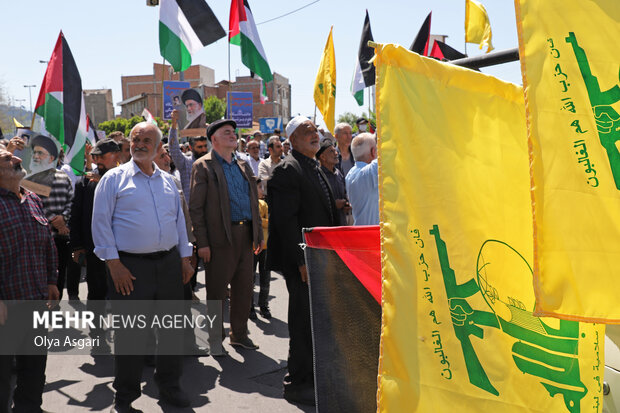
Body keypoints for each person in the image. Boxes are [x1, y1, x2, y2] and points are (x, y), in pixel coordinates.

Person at [92, 122, 194, 412]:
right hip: (130, 268)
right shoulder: (113, 179)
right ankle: (125, 397)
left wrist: (185, 258)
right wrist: (114, 264)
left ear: (159, 146)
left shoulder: (168, 181)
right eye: (136, 139)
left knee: (172, 331)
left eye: (147, 139)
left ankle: (170, 388)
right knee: (131, 337)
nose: (140, 143)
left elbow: (179, 223)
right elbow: (100, 225)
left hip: (169, 265)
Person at [267, 116, 337, 406]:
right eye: (307, 131)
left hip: (318, 259)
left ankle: (312, 376)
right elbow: (286, 221)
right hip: (304, 263)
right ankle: (297, 383)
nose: (315, 134)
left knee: (314, 321)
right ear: (292, 140)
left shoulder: (313, 166)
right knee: (301, 322)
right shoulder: (287, 170)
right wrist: (302, 260)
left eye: (316, 130)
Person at [190, 119, 263, 354]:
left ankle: (239, 334)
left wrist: (258, 234)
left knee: (244, 288)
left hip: (246, 234)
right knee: (216, 291)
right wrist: (202, 243)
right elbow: (196, 209)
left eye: (234, 132)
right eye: (227, 132)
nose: (233, 135)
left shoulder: (243, 165)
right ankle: (214, 338)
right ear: (214, 139)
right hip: (220, 237)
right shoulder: (203, 166)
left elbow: (254, 201)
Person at [0, 148, 59, 412]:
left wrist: (51, 281)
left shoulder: (33, 198)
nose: (17, 159)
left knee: (34, 372)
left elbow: (48, 245)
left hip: (36, 302)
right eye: (7, 158)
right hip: (5, 308)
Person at [70, 138, 120, 350]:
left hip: (123, 249)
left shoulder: (125, 179)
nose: (97, 160)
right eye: (95, 157)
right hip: (95, 249)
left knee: (122, 294)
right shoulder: (84, 183)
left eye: (102, 156)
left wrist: (105, 185)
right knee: (97, 291)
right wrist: (77, 246)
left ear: (116, 156)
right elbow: (77, 214)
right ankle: (98, 334)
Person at [26, 135, 77, 301]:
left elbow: (72, 201)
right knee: (41, 276)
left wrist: (63, 219)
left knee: (59, 274)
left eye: (41, 153)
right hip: (40, 240)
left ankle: (55, 308)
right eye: (35, 153)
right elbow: (34, 205)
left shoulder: (64, 177)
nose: (36, 157)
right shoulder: (28, 179)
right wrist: (58, 220)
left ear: (52, 158)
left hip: (60, 238)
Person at [168, 109, 208, 203]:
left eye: (205, 146)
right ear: (190, 147)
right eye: (200, 147)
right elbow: (173, 148)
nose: (203, 150)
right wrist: (174, 125)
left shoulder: (211, 162)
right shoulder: (185, 163)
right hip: (191, 211)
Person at [345, 133, 379, 226]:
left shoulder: (350, 174)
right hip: (372, 234)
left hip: (361, 231)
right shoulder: (369, 172)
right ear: (373, 152)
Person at [316, 139, 351, 226]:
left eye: (335, 150)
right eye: (331, 151)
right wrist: (333, 205)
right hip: (327, 226)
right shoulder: (318, 176)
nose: (336, 153)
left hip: (342, 223)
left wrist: (346, 205)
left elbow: (344, 193)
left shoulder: (338, 173)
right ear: (323, 157)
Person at [250, 178, 270, 319]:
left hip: (266, 246)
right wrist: (264, 221)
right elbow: (253, 220)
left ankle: (263, 305)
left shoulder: (263, 204)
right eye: (259, 187)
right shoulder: (251, 204)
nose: (262, 190)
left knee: (265, 277)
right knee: (250, 278)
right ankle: (250, 307)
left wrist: (260, 220)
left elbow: (265, 221)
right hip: (251, 247)